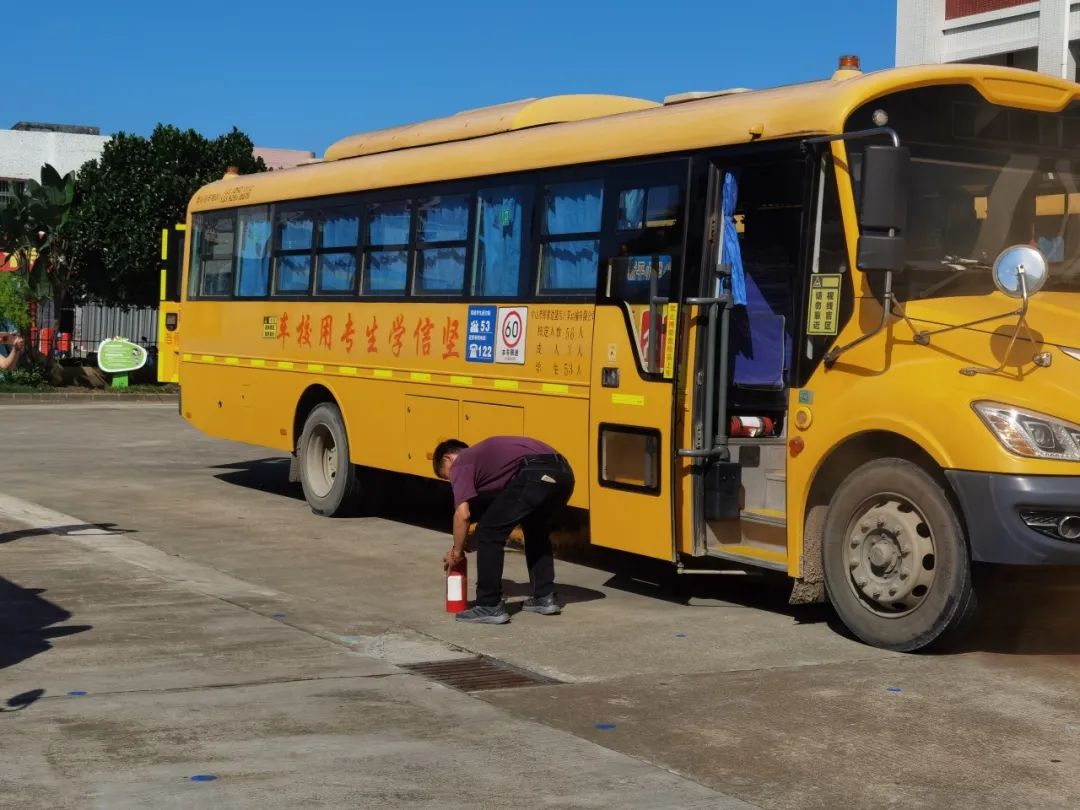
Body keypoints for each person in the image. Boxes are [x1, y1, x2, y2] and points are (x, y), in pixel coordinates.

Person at [433, 436, 575, 624]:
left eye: (447, 476)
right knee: (536, 530)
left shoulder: (462, 462)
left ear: (448, 458)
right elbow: (503, 510)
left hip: (534, 473)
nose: (452, 482)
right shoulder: (490, 461)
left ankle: (489, 605)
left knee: (489, 532)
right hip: (564, 474)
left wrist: (457, 552)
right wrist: (470, 540)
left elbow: (463, 515)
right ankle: (544, 597)